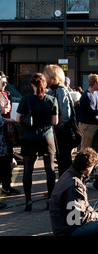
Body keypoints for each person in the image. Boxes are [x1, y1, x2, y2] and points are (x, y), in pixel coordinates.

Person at [49, 147, 98, 236]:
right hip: (69, 230)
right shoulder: (75, 185)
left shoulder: (68, 173)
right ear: (87, 168)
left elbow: (83, 206)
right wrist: (96, 216)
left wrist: (93, 215)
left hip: (69, 222)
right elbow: (77, 218)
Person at [16, 73, 58, 211]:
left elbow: (18, 119)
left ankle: (28, 201)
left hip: (29, 138)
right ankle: (50, 198)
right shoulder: (51, 100)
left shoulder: (25, 99)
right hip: (47, 137)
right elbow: (55, 121)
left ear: (32, 85)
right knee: (50, 169)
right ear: (45, 84)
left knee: (28, 170)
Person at [44, 64, 75, 177]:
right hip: (59, 132)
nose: (44, 76)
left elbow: (65, 115)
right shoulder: (53, 90)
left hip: (63, 133)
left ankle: (65, 188)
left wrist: (57, 127)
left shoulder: (60, 90)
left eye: (45, 73)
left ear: (52, 76)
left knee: (64, 161)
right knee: (62, 161)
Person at [0, 72, 20, 197]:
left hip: (7, 132)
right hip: (2, 132)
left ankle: (7, 187)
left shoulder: (6, 94)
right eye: (2, 83)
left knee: (7, 160)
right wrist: (5, 117)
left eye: (5, 83)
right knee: (2, 162)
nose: (4, 85)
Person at [79, 73, 98, 151]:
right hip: (87, 126)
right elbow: (90, 112)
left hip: (95, 125)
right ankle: (83, 163)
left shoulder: (96, 94)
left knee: (94, 149)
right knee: (86, 149)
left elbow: (97, 107)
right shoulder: (86, 95)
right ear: (95, 83)